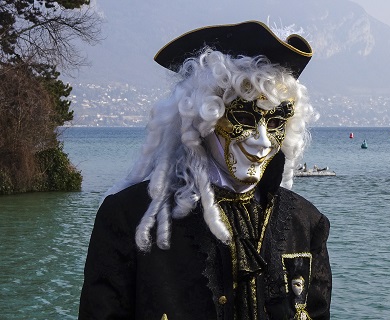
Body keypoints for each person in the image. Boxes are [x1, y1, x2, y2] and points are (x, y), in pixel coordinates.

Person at [78, 21, 332, 320]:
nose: (262, 141)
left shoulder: (305, 223)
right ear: (202, 117)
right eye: (244, 118)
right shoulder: (127, 216)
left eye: (275, 124)